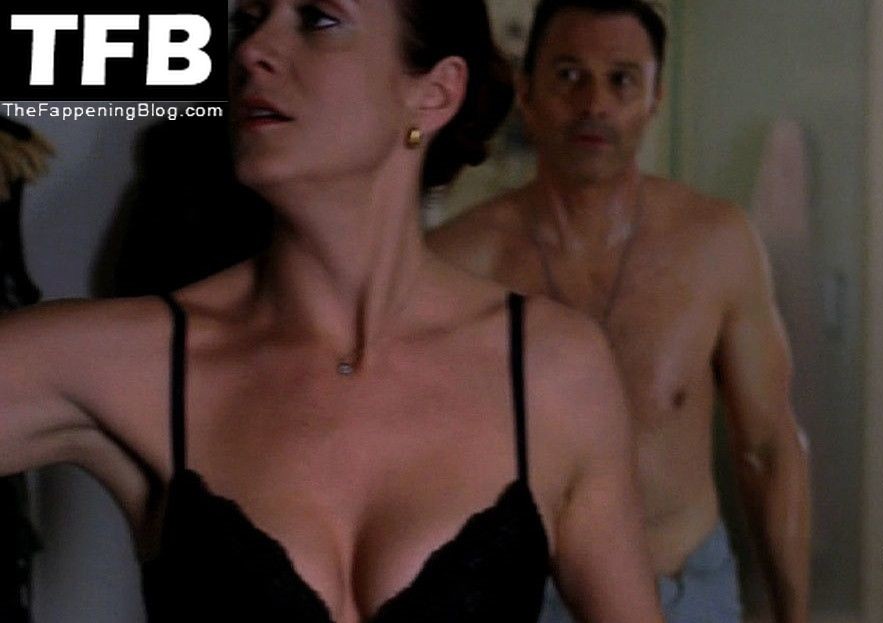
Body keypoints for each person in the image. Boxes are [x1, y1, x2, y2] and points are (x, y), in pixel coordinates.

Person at [0, 0, 663, 621]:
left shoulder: (552, 369)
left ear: (435, 92)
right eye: (249, 21)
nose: (252, 50)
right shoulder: (139, 363)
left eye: (318, 19)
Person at [428, 1, 811, 621]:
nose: (595, 104)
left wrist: (794, 614)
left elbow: (768, 448)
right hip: (522, 597)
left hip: (684, 589)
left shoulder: (716, 243)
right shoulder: (458, 260)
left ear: (655, 98)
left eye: (622, 79)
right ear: (527, 92)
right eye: (569, 76)